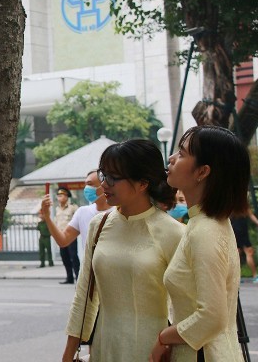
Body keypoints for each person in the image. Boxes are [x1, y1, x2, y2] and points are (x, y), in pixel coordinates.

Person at [53, 139, 184, 362]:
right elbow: (84, 294)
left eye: (113, 178)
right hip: (104, 346)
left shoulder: (174, 233)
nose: (104, 185)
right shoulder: (99, 224)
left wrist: (168, 344)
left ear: (142, 183)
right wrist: (68, 354)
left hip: (151, 349)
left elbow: (186, 307)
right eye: (104, 175)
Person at [151, 125, 250, 362]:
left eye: (182, 154)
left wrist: (164, 338)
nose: (172, 158)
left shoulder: (204, 231)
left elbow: (211, 317)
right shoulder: (206, 222)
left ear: (202, 172)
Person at [40, 170, 112, 261]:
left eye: (90, 184)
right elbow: (63, 240)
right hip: (89, 273)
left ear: (104, 185)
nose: (87, 188)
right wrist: (47, 216)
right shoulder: (82, 212)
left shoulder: (120, 212)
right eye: (86, 184)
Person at [54, 187, 79, 283]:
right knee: (64, 257)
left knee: (74, 257)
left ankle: (78, 277)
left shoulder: (73, 207)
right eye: (58, 196)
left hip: (71, 236)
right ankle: (69, 278)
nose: (59, 198)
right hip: (61, 236)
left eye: (62, 195)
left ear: (66, 197)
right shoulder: (57, 209)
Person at [230, 208, 258, 284]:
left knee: (237, 254)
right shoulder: (241, 203)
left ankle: (237, 278)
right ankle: (255, 276)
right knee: (249, 252)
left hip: (233, 230)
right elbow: (250, 214)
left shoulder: (228, 203)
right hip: (241, 230)